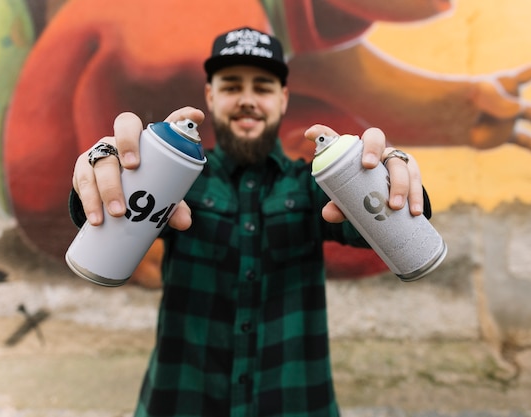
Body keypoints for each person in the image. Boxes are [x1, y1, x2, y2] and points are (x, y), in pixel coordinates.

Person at [70, 27, 431, 417]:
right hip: (179, 402)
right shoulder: (174, 180)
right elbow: (114, 209)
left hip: (297, 403)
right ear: (210, 96)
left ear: (283, 98)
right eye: (230, 87)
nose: (246, 100)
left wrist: (394, 179)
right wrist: (104, 165)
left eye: (262, 87)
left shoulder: (314, 185)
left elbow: (387, 225)